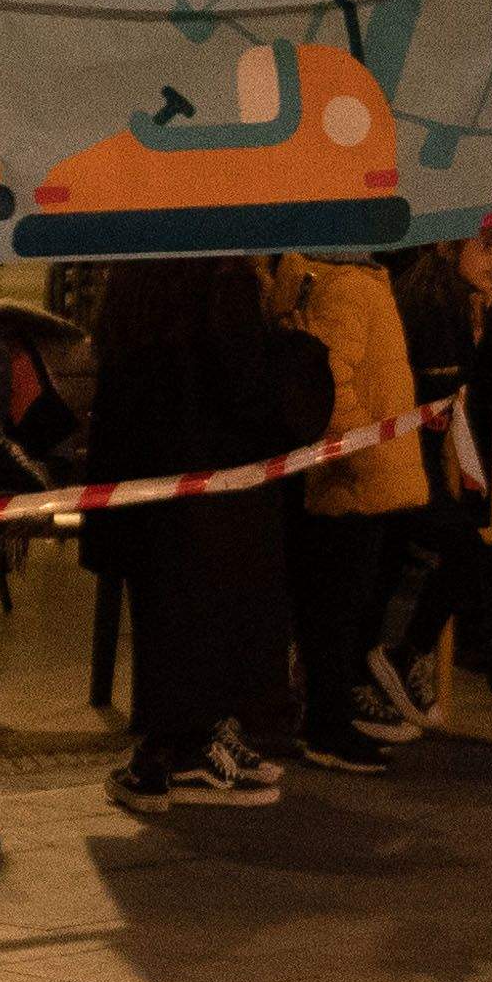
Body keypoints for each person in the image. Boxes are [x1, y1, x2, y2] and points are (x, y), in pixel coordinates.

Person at [76, 258, 318, 808]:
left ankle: (197, 738)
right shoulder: (222, 276)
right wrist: (289, 340)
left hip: (152, 475)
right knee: (209, 611)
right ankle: (182, 751)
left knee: (172, 613)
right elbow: (245, 387)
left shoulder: (138, 269)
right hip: (214, 473)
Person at [265, 242, 427, 768]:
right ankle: (327, 726)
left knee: (334, 605)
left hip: (352, 475)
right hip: (350, 478)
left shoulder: (338, 277)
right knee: (335, 607)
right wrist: (366, 449)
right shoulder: (349, 284)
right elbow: (331, 385)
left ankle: (331, 715)